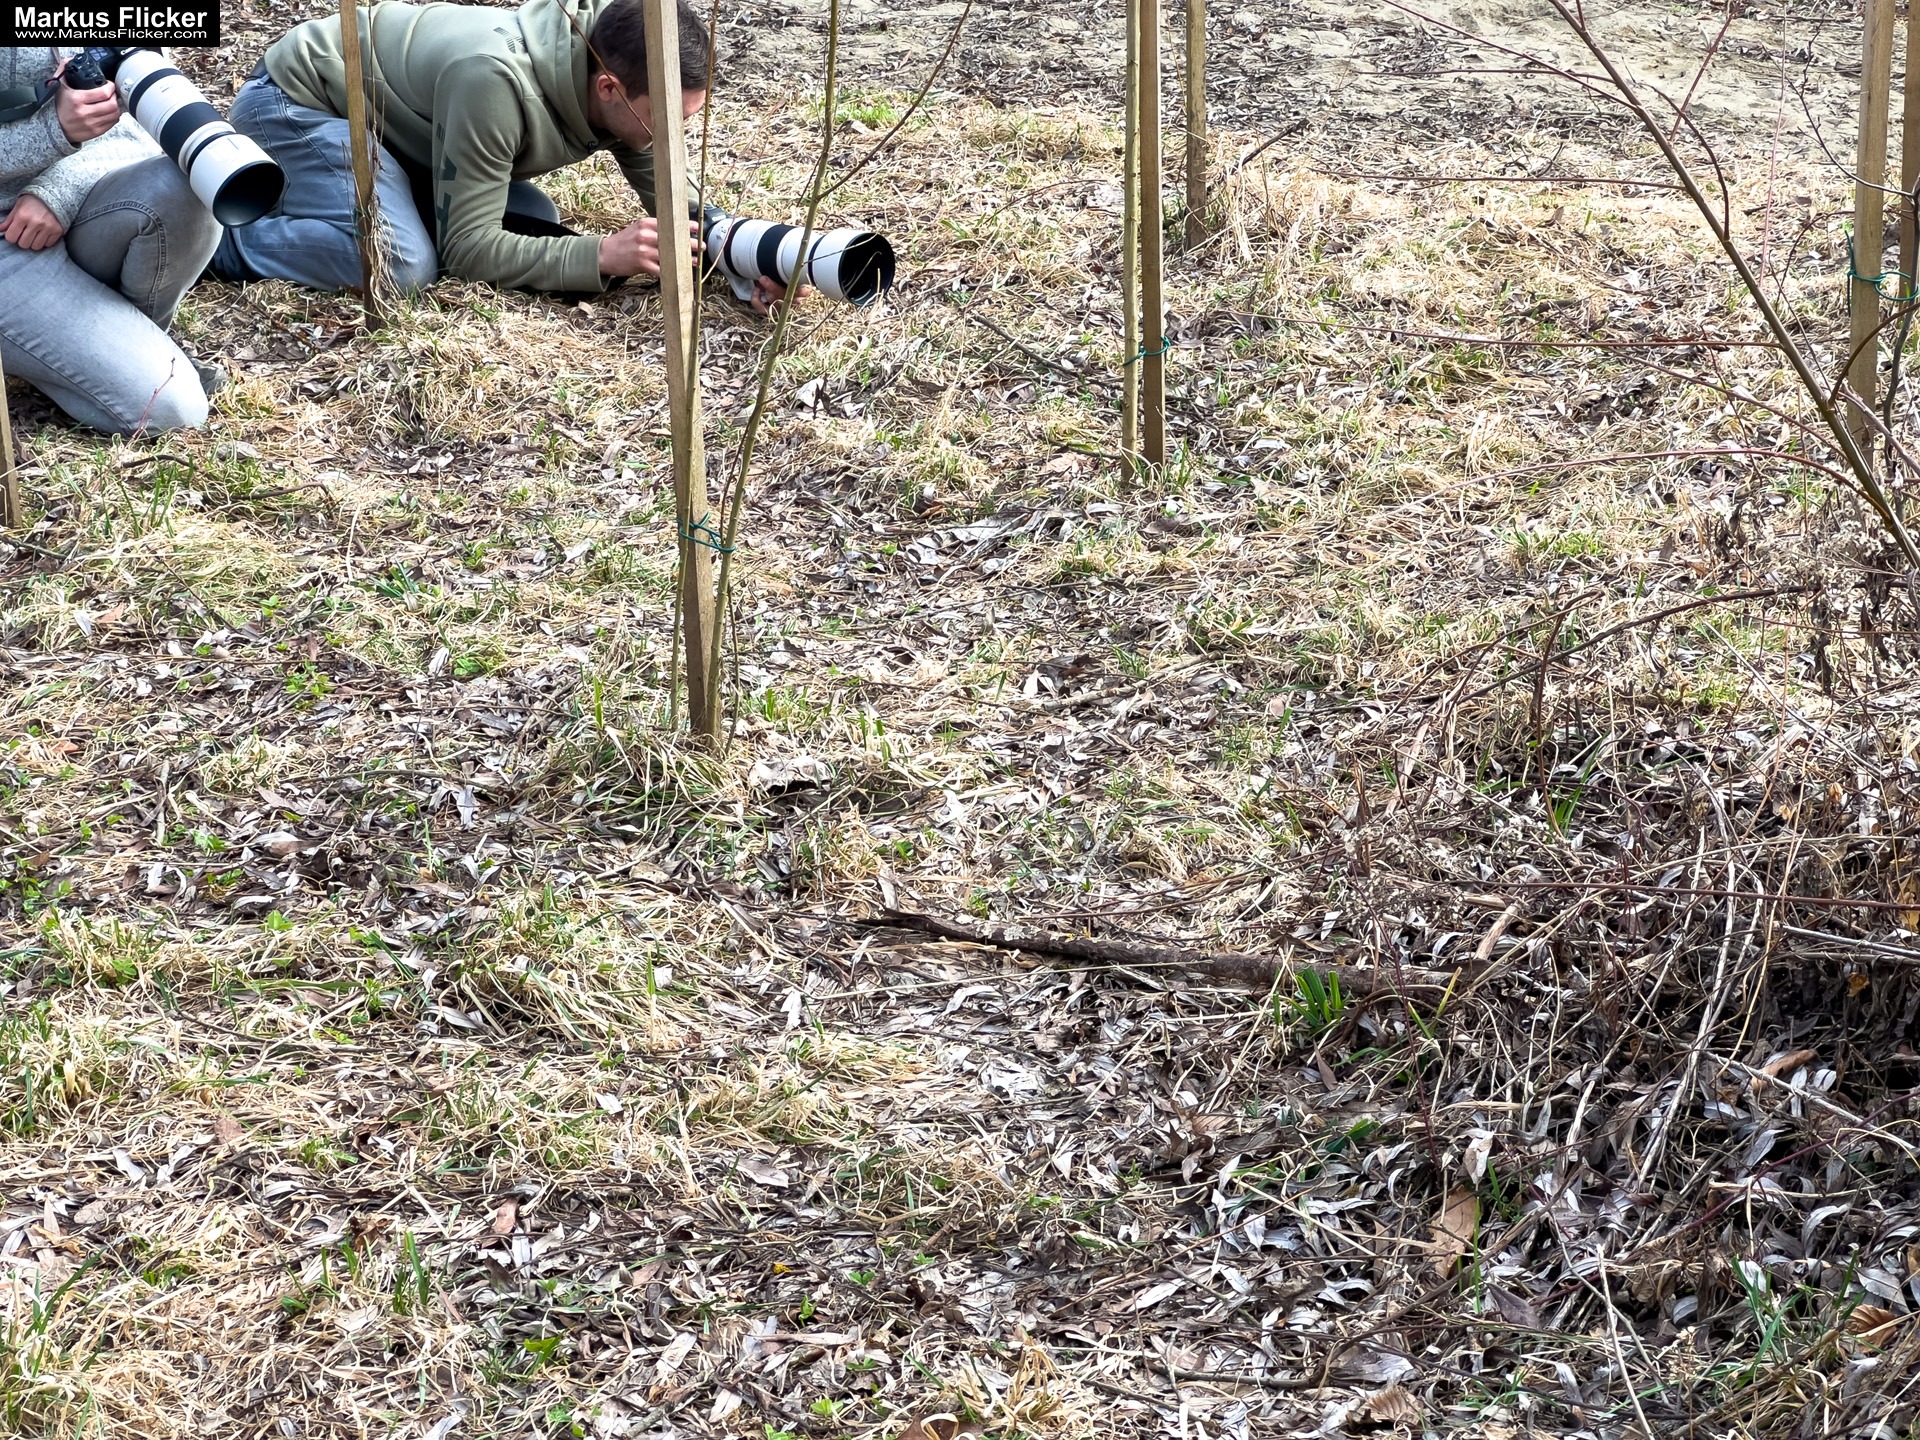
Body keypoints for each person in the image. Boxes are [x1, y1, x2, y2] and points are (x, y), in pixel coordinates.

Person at [210, 0, 786, 311]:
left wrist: (742, 253)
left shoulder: (618, 67)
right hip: (302, 104)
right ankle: (219, 241)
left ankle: (350, 203)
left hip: (399, 129)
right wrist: (603, 256)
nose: (670, 139)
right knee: (404, 267)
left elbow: (673, 197)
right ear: (608, 88)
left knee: (532, 217)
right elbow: (467, 251)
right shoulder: (495, 82)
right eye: (665, 123)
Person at [0, 47, 223, 434]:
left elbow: (141, 123)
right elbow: (58, 126)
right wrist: (54, 131)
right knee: (171, 409)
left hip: (70, 199)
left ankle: (129, 346)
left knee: (191, 181)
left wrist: (59, 189)